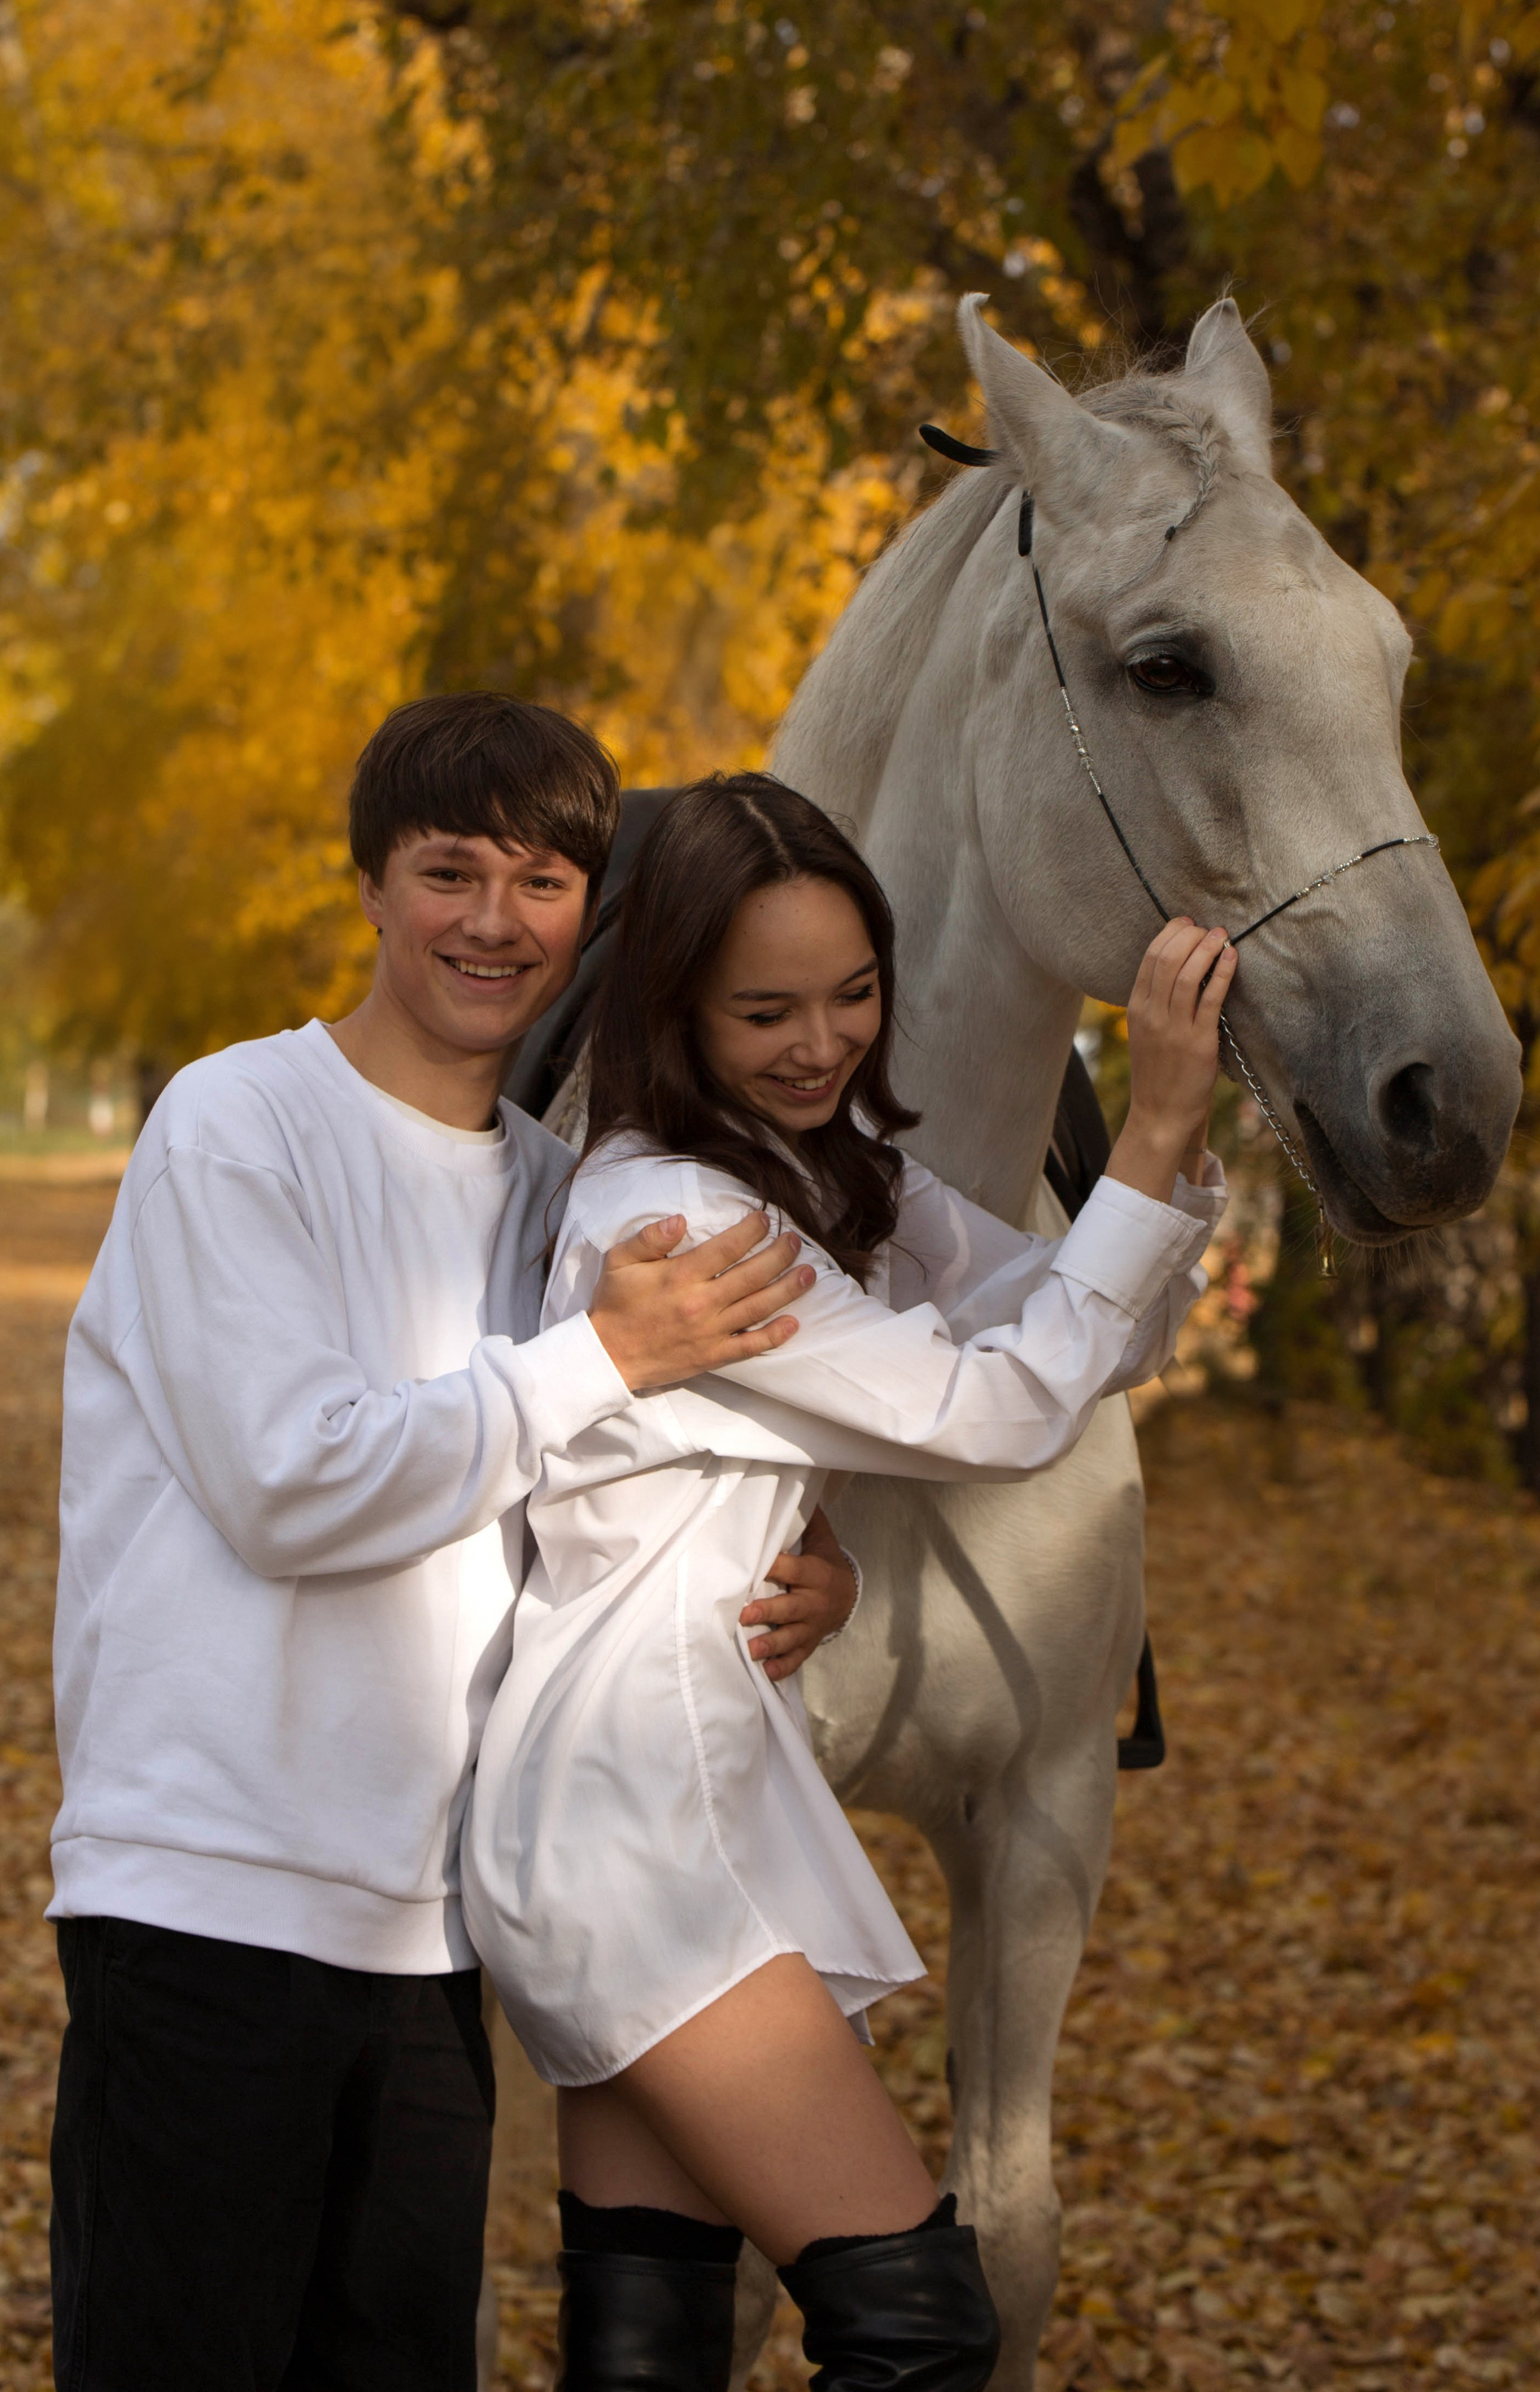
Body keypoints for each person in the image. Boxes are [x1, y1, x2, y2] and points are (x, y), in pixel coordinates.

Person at [46, 698, 861, 2392]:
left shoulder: (569, 1195)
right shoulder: (237, 1123)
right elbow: (296, 1484)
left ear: (589, 916)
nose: (494, 921)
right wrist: (608, 1355)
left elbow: (620, 1493)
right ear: (371, 887)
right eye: (449, 872)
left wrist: (805, 1558)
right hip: (210, 1901)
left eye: (543, 880)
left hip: (435, 1927)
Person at [462, 772, 1235, 2392]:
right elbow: (1004, 1408)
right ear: (676, 1003)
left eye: (852, 995)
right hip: (636, 1814)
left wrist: (1173, 1162)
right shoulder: (685, 1221)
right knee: (920, 2326)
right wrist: (1147, 1132)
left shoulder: (803, 1177)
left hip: (668, 1792)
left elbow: (1087, 1328)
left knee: (651, 2340)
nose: (821, 1044)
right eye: (766, 1010)